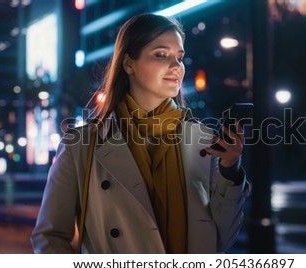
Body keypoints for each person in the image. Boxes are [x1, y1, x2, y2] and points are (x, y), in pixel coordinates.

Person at [31, 13, 249, 254]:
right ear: (129, 64)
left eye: (179, 57)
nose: (176, 67)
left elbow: (221, 240)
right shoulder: (82, 144)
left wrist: (230, 170)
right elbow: (50, 236)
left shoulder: (204, 139)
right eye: (161, 55)